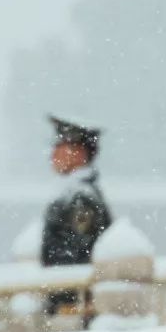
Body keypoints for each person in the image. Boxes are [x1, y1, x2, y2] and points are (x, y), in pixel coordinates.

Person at [40, 114, 113, 321]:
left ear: (79, 152)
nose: (53, 154)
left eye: (61, 145)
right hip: (68, 299)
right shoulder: (73, 193)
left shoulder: (80, 198)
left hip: (74, 307)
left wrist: (65, 304)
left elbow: (77, 253)